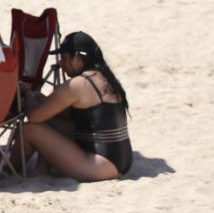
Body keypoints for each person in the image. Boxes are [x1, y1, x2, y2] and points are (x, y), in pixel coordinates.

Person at [17, 32, 132, 179]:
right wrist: (43, 101)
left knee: (29, 130)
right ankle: (41, 170)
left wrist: (27, 93)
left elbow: (33, 117)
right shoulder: (103, 77)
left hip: (99, 165)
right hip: (121, 160)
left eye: (65, 58)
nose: (62, 65)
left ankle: (10, 169)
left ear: (78, 59)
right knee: (49, 121)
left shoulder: (79, 84)